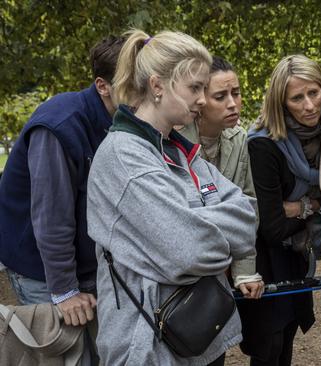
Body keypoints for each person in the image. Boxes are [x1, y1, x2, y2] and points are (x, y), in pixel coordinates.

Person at [86, 29, 257, 365]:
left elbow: (248, 219)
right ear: (157, 86)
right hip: (147, 345)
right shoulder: (124, 156)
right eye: (195, 88)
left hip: (198, 335)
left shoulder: (178, 151)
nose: (203, 100)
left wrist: (189, 220)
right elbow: (190, 251)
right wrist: (201, 223)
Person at [0, 35, 124, 318]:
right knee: (67, 357)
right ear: (103, 86)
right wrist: (65, 290)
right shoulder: (60, 125)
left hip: (90, 265)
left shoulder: (119, 122)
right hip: (42, 271)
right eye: (133, 82)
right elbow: (52, 217)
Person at [239, 54, 321, 366]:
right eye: (297, 98)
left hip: (295, 255)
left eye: (314, 93)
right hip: (265, 258)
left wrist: (299, 208)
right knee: (269, 345)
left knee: (288, 335)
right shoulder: (263, 145)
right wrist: (315, 206)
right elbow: (272, 226)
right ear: (281, 102)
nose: (309, 106)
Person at [179, 56, 264, 300]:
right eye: (220, 96)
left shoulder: (238, 137)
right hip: (187, 266)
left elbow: (247, 206)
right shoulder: (174, 139)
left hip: (226, 259)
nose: (232, 104)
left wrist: (245, 272)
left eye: (236, 93)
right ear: (200, 101)